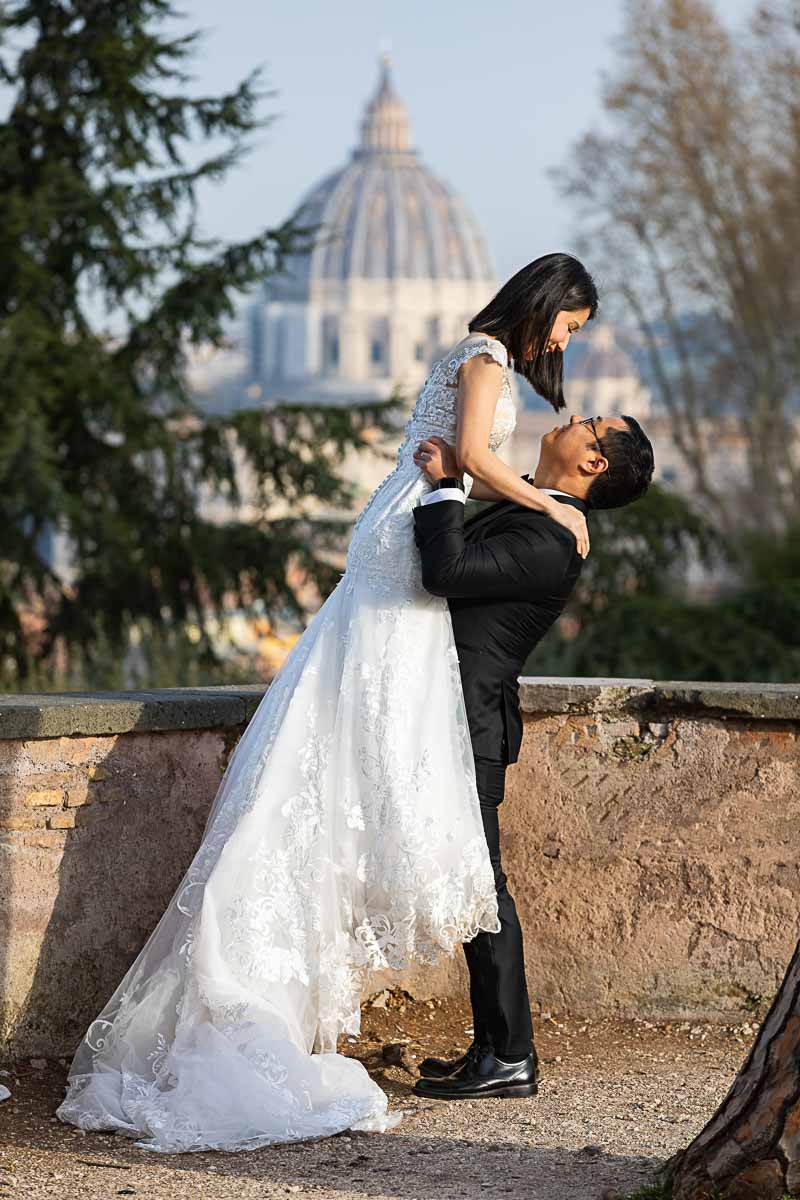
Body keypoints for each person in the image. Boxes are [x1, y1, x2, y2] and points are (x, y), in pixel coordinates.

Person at [56, 254, 598, 1152]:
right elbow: (467, 455)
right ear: (545, 306)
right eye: (570, 326)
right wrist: (552, 505)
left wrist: (492, 487)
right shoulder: (487, 361)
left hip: (404, 523)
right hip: (407, 540)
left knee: (344, 737)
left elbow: (460, 462)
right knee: (367, 731)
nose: (565, 344)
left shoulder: (485, 363)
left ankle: (469, 1032)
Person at [409, 411, 654, 1100]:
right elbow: (481, 477)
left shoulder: (552, 537)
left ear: (595, 463)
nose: (573, 417)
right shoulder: (536, 507)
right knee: (473, 884)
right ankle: (492, 1046)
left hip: (469, 726)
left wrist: (442, 490)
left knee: (483, 888)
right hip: (444, 718)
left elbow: (446, 571)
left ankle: (510, 1054)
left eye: (592, 424)